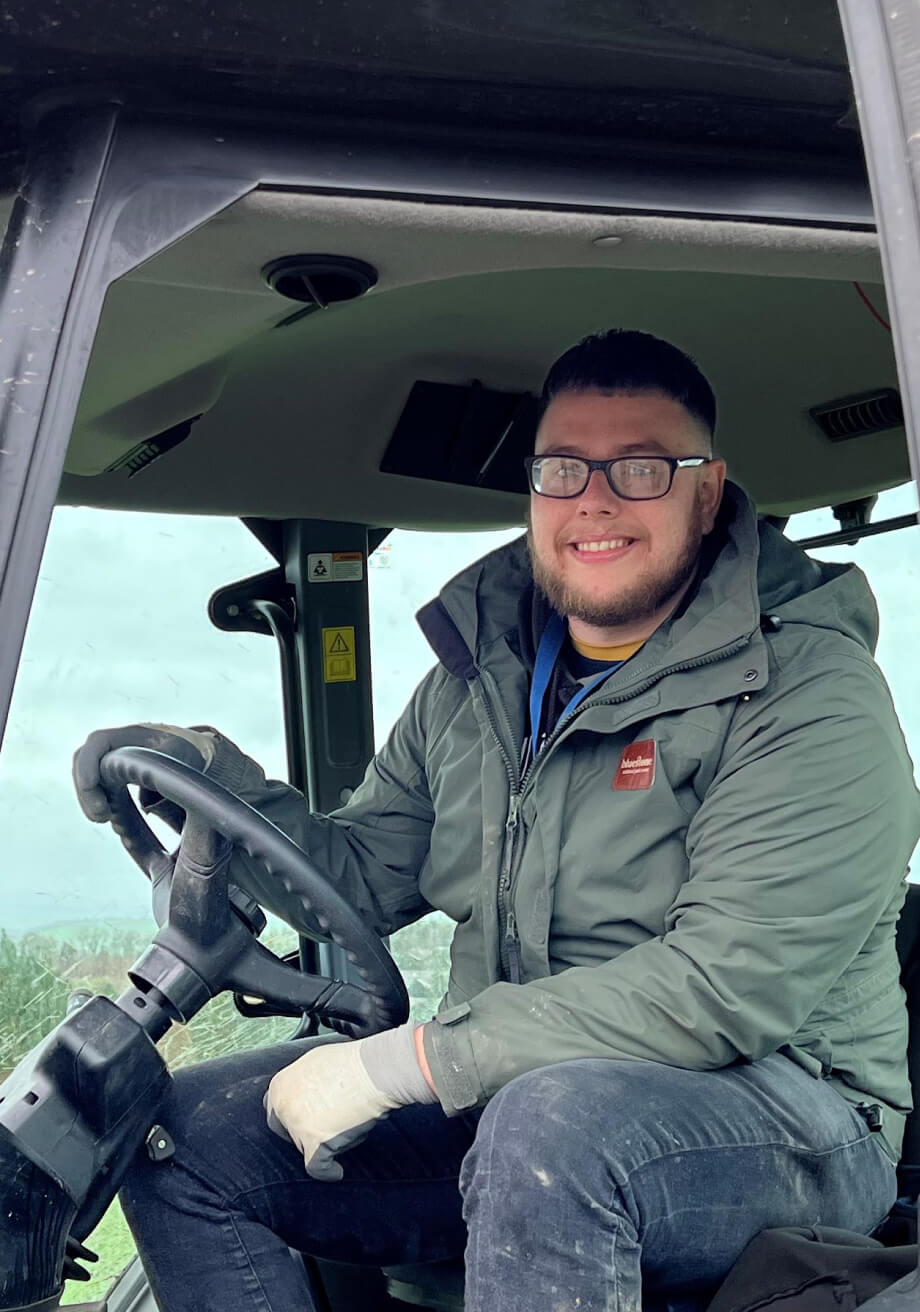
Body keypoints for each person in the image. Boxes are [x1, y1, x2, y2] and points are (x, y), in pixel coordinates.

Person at [74, 330, 920, 1312]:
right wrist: (213, 776)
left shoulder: (806, 693)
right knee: (178, 1129)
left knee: (549, 1130)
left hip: (791, 1113)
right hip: (526, 1090)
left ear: (705, 488)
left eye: (639, 468)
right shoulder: (478, 684)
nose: (593, 499)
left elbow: (720, 990)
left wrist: (403, 1064)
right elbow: (352, 878)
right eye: (562, 468)